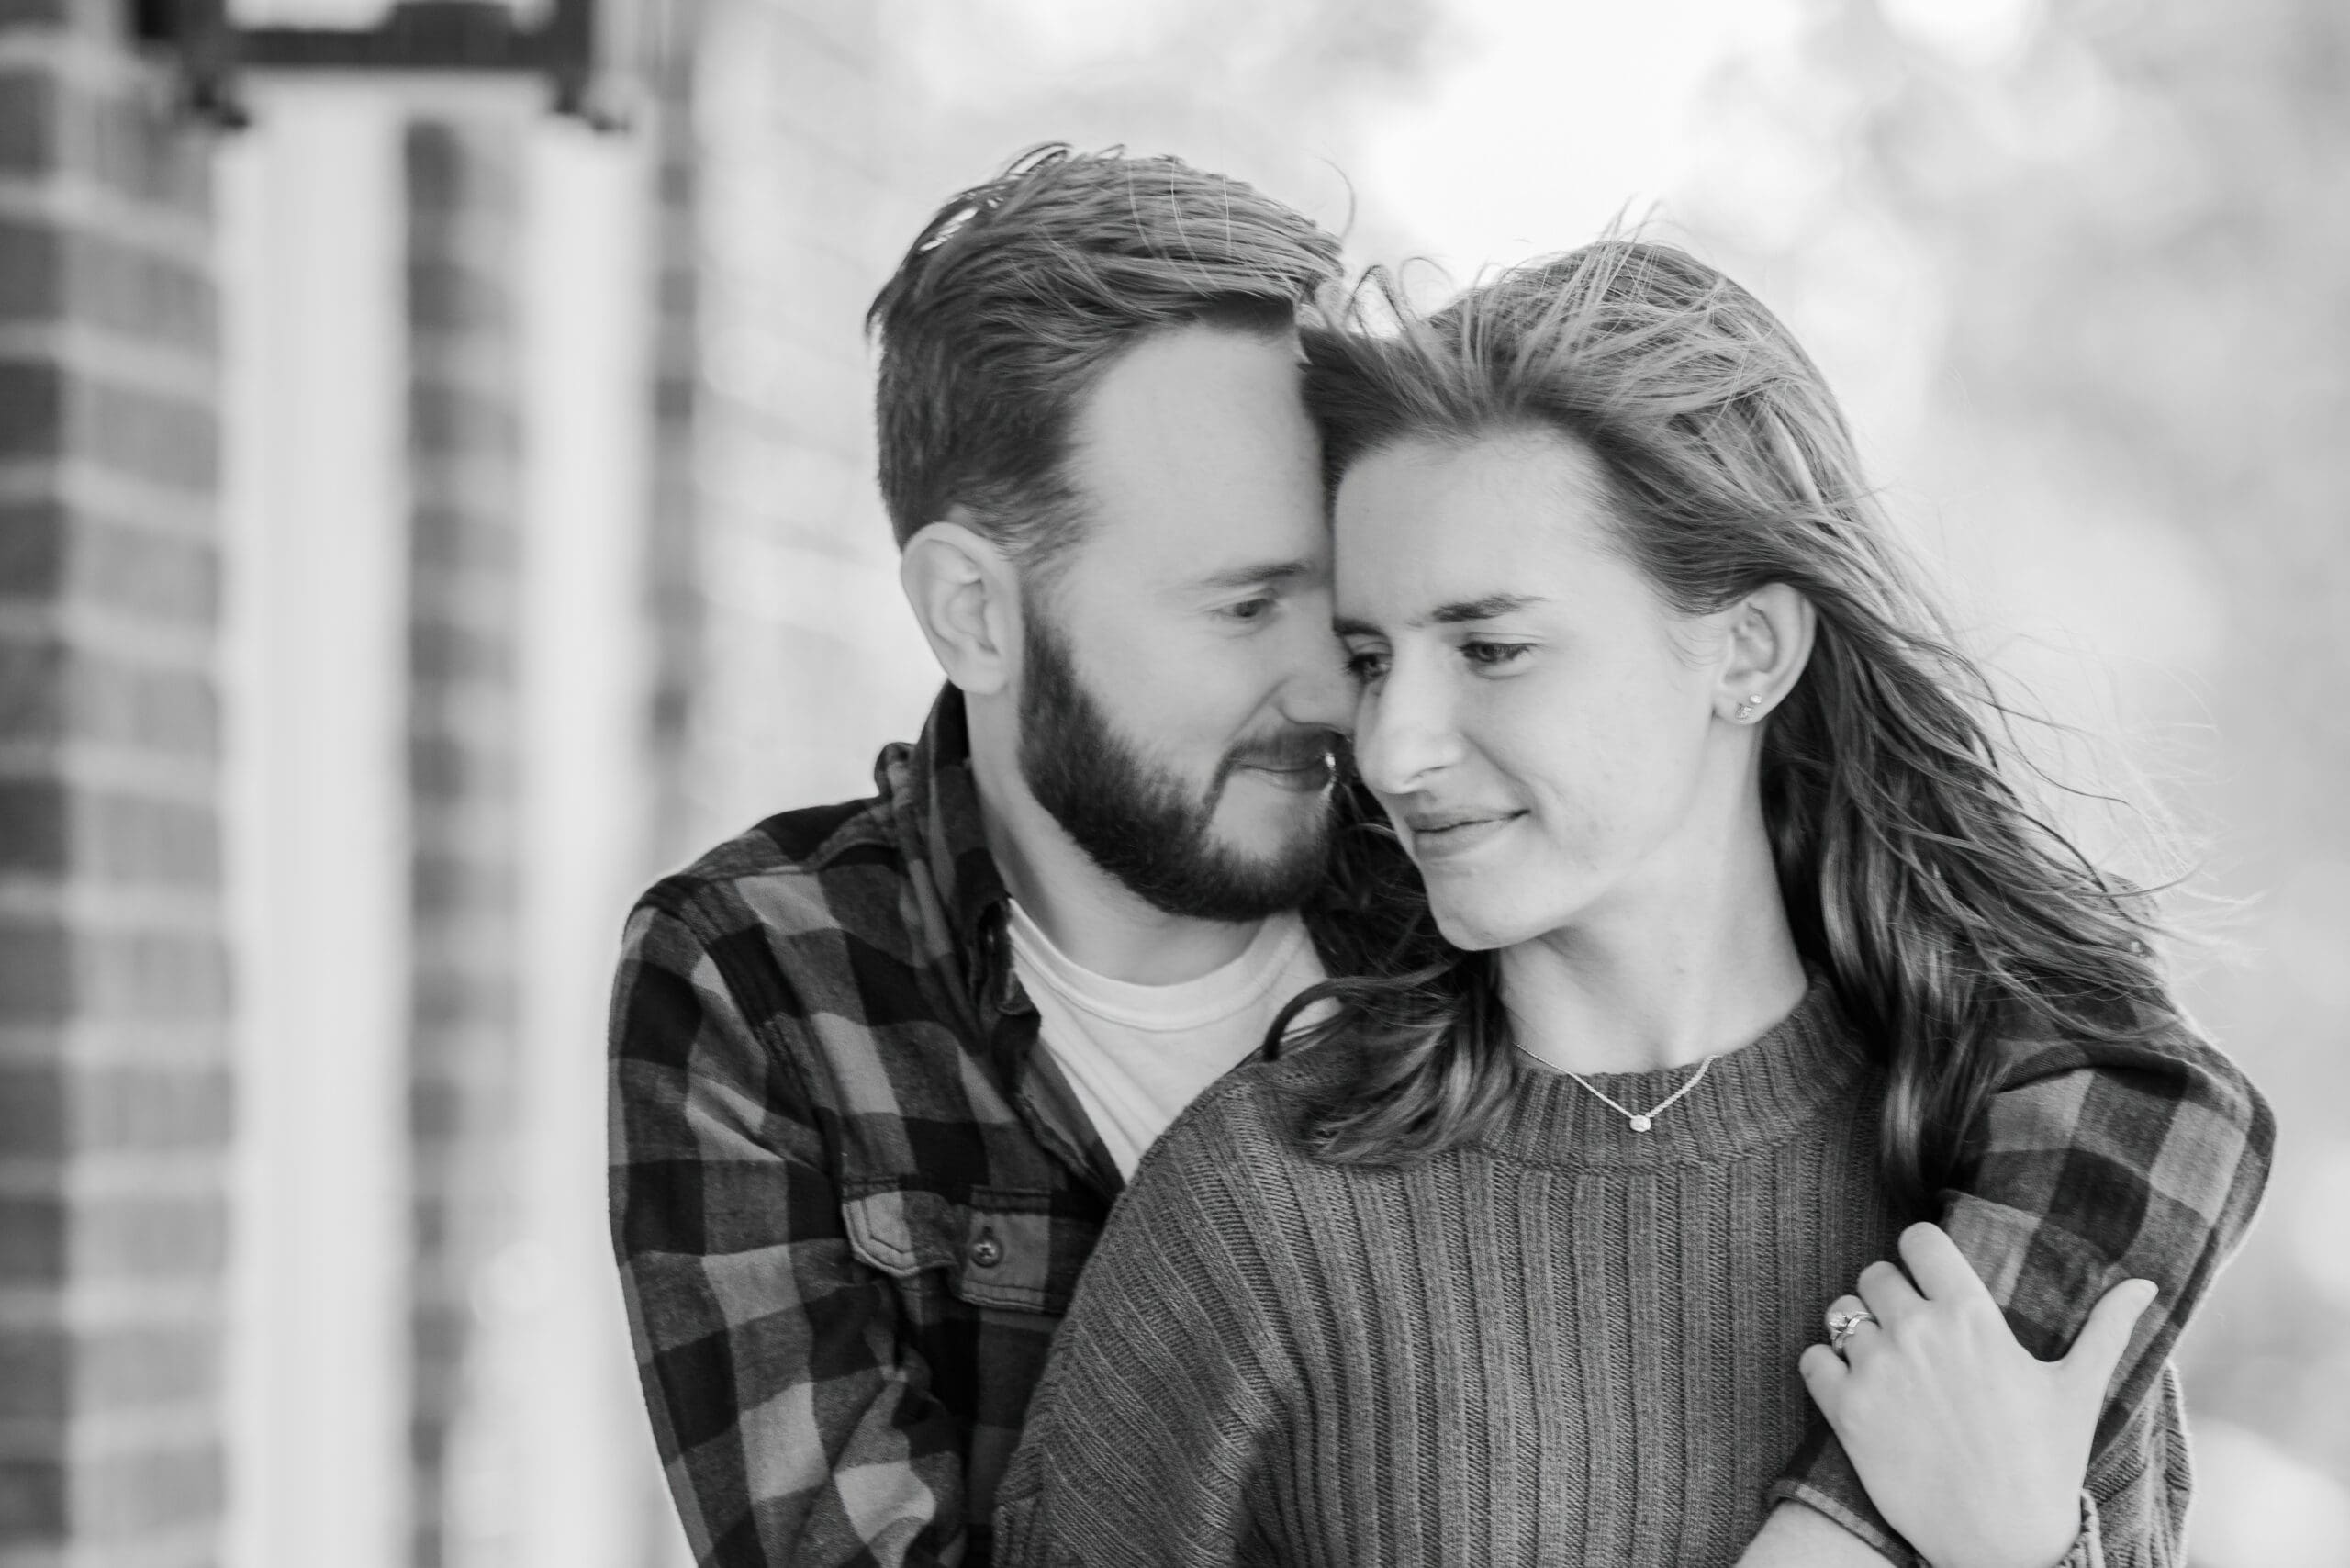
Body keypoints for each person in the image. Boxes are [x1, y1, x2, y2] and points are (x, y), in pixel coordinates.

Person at [990, 241, 2273, 1568]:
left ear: (1748, 653)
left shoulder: (2001, 1209)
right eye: (1373, 660)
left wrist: (2008, 1551)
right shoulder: (1262, 1214)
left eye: (1491, 649)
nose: (1392, 750)